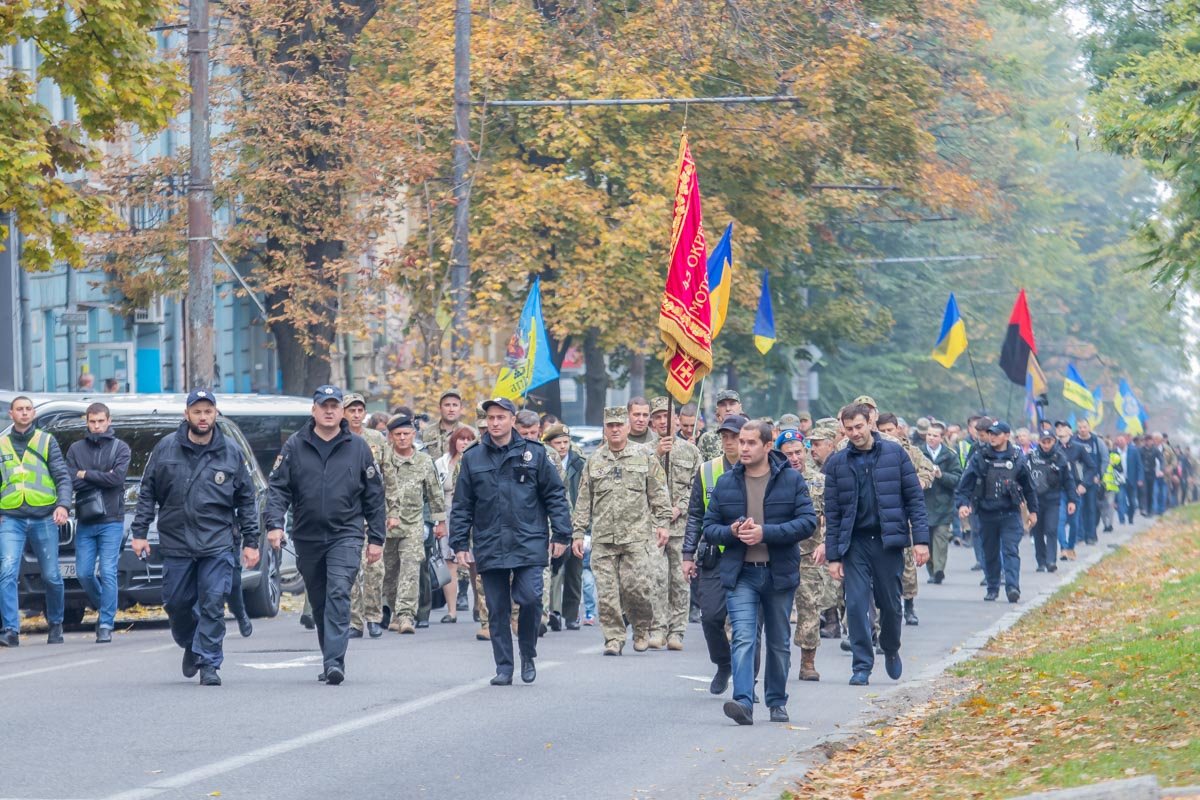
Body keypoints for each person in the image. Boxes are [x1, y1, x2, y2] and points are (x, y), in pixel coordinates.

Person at [131, 390, 259, 685]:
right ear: (186, 414)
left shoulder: (230, 451)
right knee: (177, 603)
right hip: (177, 541)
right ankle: (191, 643)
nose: (203, 417)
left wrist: (251, 542)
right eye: (197, 411)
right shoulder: (165, 448)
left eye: (208, 411)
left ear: (216, 414)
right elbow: (147, 492)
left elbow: (246, 499)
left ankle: (209, 663)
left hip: (217, 542)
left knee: (213, 602)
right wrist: (139, 532)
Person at [266, 385, 385, 686]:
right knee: (319, 600)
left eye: (334, 405)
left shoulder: (357, 447)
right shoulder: (295, 445)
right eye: (324, 405)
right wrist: (274, 524)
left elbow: (374, 494)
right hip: (307, 535)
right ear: (314, 410)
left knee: (338, 592)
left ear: (341, 411)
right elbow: (279, 488)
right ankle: (329, 654)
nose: (329, 411)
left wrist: (377, 538)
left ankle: (335, 661)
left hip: (346, 533)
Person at [450, 398, 572, 685]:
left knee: (530, 598)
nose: (495, 423)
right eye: (490, 418)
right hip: (489, 541)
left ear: (512, 420)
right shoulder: (473, 457)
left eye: (501, 417)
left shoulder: (535, 454)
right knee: (497, 608)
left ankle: (527, 652)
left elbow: (555, 495)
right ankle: (504, 666)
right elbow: (462, 505)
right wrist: (459, 545)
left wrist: (562, 534)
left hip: (528, 539)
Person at [703, 420, 817, 725]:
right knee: (743, 637)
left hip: (779, 573)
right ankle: (743, 701)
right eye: (741, 442)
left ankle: (777, 701)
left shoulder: (791, 480)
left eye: (751, 442)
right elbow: (709, 528)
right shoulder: (727, 482)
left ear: (768, 446)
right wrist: (731, 531)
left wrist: (765, 533)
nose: (743, 448)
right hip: (741, 574)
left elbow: (807, 523)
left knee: (779, 642)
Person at [823, 402, 931, 686]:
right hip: (855, 542)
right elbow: (832, 514)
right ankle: (862, 665)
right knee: (856, 605)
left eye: (859, 426)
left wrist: (920, 540)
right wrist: (834, 557)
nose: (855, 433)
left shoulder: (895, 454)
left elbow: (914, 500)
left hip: (887, 541)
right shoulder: (837, 463)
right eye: (849, 429)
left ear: (870, 422)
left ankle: (891, 647)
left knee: (891, 605)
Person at [571, 406, 670, 656]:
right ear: (605, 429)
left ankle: (640, 628)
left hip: (636, 537)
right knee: (606, 594)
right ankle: (613, 638)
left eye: (619, 425)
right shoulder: (594, 461)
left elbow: (658, 493)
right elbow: (584, 500)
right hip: (604, 539)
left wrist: (663, 524)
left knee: (637, 589)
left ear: (627, 427)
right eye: (610, 425)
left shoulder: (644, 456)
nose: (615, 429)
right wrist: (578, 533)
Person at [0, 396, 73, 648]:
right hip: (11, 518)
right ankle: (10, 629)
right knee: (7, 572)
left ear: (33, 414)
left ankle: (56, 623)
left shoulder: (46, 440)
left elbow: (62, 476)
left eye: (28, 409)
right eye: (19, 409)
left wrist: (63, 505)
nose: (24, 413)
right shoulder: (1, 444)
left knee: (52, 575)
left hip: (43, 517)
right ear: (11, 414)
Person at [682, 414, 746, 693]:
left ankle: (747, 682)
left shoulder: (760, 467)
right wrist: (687, 554)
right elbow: (695, 514)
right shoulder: (707, 470)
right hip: (714, 554)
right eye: (725, 436)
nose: (729, 442)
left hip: (750, 554)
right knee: (710, 616)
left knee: (747, 624)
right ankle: (723, 662)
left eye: (735, 436)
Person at [64, 402, 132, 643]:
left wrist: (87, 474)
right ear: (87, 422)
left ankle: (105, 623)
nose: (97, 426)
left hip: (112, 518)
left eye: (101, 421)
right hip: (85, 519)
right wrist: (96, 477)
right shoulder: (75, 449)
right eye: (92, 422)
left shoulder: (120, 448)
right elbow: (72, 480)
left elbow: (117, 479)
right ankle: (107, 604)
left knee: (108, 570)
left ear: (109, 421)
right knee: (83, 572)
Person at [956, 421, 1039, 603]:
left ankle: (1012, 587)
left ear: (1006, 435)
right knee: (990, 552)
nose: (992, 437)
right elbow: (965, 484)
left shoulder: (1017, 457)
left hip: (1010, 513)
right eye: (990, 434)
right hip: (986, 513)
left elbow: (1029, 487)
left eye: (996, 434)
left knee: (1010, 550)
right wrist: (962, 504)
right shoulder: (980, 457)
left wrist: (1033, 511)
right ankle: (992, 587)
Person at [379, 413, 445, 634]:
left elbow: (435, 493)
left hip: (413, 524)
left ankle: (407, 615)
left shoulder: (424, 461)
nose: (402, 438)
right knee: (389, 573)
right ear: (390, 436)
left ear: (413, 434)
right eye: (397, 434)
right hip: (386, 524)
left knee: (410, 569)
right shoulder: (383, 459)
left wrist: (440, 522)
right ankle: (395, 613)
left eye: (406, 434)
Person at [648, 396, 701, 650]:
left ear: (676, 420)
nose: (662, 421)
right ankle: (656, 628)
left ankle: (676, 631)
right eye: (657, 416)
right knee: (656, 580)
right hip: (652, 526)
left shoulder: (690, 451)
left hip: (680, 527)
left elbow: (697, 486)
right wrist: (657, 454)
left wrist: (679, 507)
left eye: (666, 416)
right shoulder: (642, 451)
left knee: (680, 581)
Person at [778, 427, 827, 681]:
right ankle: (780, 658)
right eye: (788, 454)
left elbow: (834, 515)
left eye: (798, 452)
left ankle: (808, 662)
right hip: (779, 554)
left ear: (806, 451)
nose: (794, 458)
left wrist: (826, 543)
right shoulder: (772, 480)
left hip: (809, 555)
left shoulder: (820, 481)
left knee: (809, 609)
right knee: (778, 611)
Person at [343, 393, 389, 639]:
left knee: (375, 568)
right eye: (351, 410)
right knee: (351, 567)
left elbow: (387, 476)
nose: (356, 415)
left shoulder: (376, 439)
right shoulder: (339, 437)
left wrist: (390, 511)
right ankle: (354, 620)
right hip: (348, 511)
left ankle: (373, 616)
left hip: (373, 509)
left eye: (360, 410)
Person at [434, 425, 479, 623]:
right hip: (449, 514)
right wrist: (439, 521)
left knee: (475, 562)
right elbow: (434, 493)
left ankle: (480, 605)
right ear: (454, 442)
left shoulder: (478, 460)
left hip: (475, 516)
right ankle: (451, 611)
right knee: (449, 561)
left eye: (469, 439)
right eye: (461, 439)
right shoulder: (441, 463)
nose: (464, 443)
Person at [542, 423, 585, 629]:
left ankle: (571, 613)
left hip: (577, 523)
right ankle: (554, 611)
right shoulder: (545, 461)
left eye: (566, 442)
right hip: (555, 523)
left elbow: (588, 497)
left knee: (574, 572)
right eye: (558, 443)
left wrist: (586, 528)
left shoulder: (580, 464)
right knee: (555, 569)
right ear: (550, 444)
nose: (562, 447)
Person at [1027, 428, 1078, 572]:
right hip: (1035, 501)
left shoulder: (1060, 457)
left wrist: (1072, 500)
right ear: (1039, 442)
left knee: (1051, 530)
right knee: (1037, 532)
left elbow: (1068, 481)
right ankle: (1041, 561)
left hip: (1053, 500)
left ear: (1054, 441)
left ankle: (1051, 561)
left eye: (1049, 441)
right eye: (1044, 441)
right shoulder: (1031, 457)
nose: (1046, 445)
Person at [919, 422, 962, 585]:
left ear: (942, 438)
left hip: (943, 505)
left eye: (935, 435)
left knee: (941, 540)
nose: (931, 438)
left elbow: (957, 479)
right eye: (929, 434)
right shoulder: (919, 453)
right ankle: (931, 570)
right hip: (923, 504)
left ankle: (939, 570)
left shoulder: (950, 455)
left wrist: (941, 475)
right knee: (926, 541)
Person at [1072, 419, 1107, 545]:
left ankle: (1091, 535)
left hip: (1092, 480)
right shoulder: (1073, 441)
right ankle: (1079, 535)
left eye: (1084, 427)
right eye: (1080, 427)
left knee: (1091, 509)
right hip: (1077, 481)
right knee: (1079, 509)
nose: (1082, 429)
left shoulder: (1097, 441)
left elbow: (1105, 459)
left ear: (1089, 427)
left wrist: (1100, 475)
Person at [697, 390, 743, 461]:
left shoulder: (748, 435)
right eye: (723, 405)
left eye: (732, 404)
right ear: (717, 410)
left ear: (740, 407)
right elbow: (701, 468)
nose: (728, 409)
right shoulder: (707, 439)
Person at [422, 389, 465, 462]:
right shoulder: (426, 433)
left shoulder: (470, 434)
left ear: (461, 408)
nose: (451, 409)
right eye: (447, 405)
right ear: (440, 408)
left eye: (455, 405)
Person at [1112, 434, 1143, 524]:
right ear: (1117, 443)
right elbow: (1111, 467)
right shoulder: (1114, 453)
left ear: (1126, 441)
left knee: (1133, 502)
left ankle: (1130, 516)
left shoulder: (1133, 451)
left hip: (1131, 480)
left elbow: (1139, 465)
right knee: (1120, 500)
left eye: (1122, 441)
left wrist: (1140, 479)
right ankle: (1122, 519)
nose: (1120, 443)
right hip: (1119, 481)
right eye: (1119, 441)